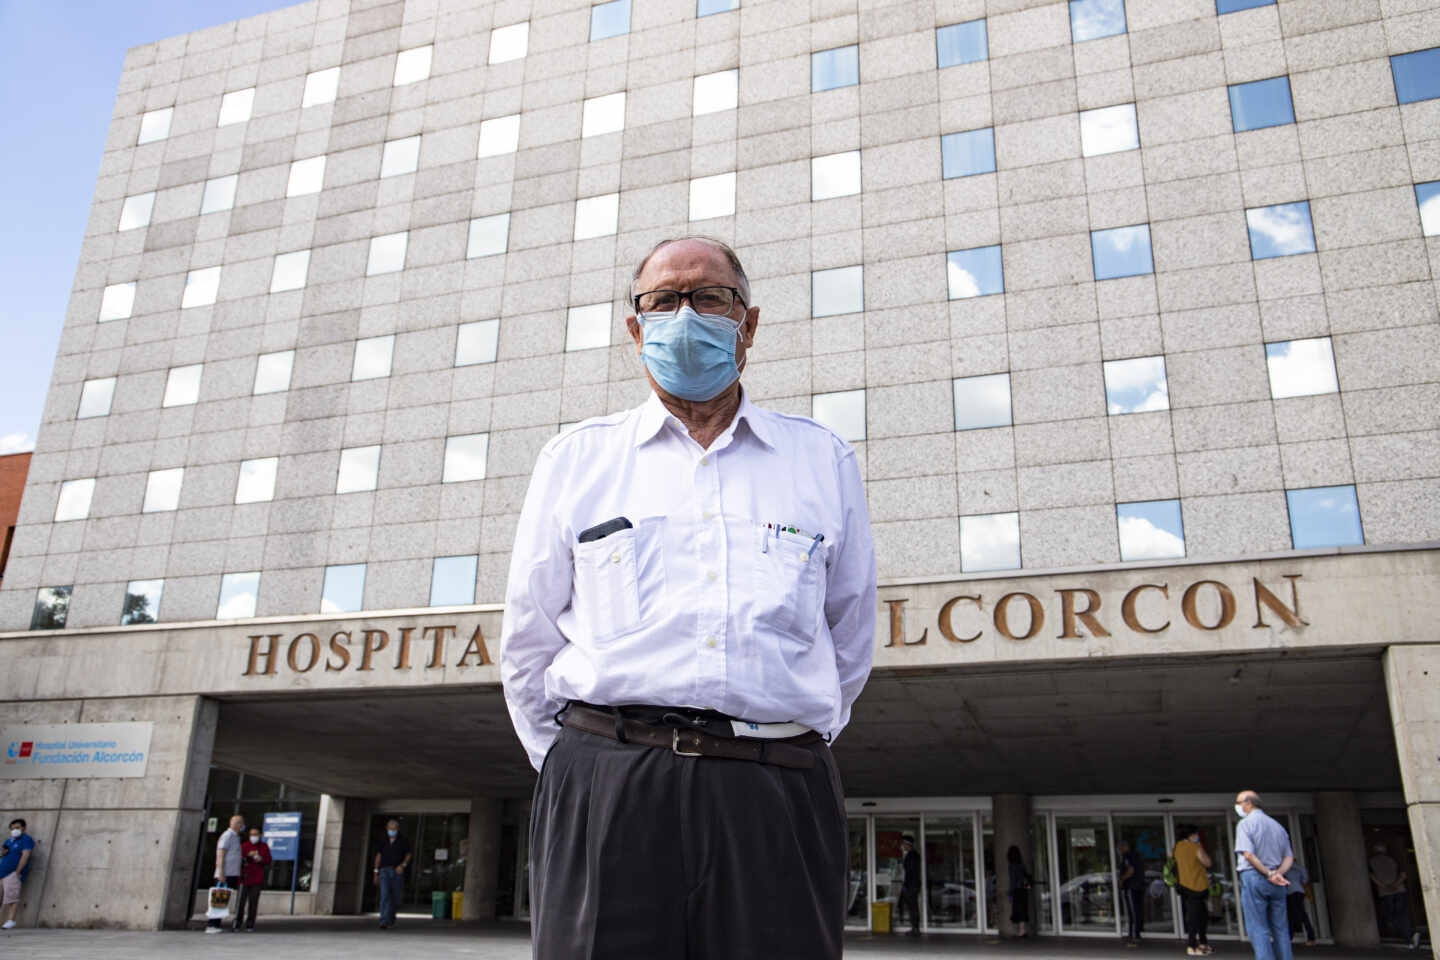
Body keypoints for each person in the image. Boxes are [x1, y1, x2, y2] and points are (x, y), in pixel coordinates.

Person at [501, 236, 877, 960]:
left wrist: (781, 740)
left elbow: (849, 634)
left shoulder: (820, 460)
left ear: (749, 324)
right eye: (663, 301)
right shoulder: (576, 459)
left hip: (773, 790)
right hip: (608, 784)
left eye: (710, 297)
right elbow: (530, 635)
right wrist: (579, 768)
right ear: (636, 331)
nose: (686, 315)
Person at [1234, 791, 1294, 960]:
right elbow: (1289, 857)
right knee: (1281, 929)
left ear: (1248, 803)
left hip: (1254, 877)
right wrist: (1278, 874)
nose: (1237, 806)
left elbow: (1248, 854)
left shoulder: (1245, 824)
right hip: (1278, 881)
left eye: (1239, 802)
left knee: (1258, 928)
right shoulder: (1277, 826)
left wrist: (1269, 873)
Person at [1369, 841, 1420, 950]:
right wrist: (1395, 885)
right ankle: (1410, 935)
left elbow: (1372, 876)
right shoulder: (1394, 859)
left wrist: (1384, 886)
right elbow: (1403, 875)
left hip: (1384, 893)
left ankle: (1409, 936)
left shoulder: (1371, 861)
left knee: (1391, 915)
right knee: (1402, 914)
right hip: (1399, 890)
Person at [1173, 823, 1214, 956]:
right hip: (1197, 886)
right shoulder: (1195, 847)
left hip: (1185, 886)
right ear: (1190, 835)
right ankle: (1192, 945)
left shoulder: (1177, 847)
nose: (1197, 836)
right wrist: (1200, 847)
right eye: (1195, 834)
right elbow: (1207, 862)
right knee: (1198, 917)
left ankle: (1202, 943)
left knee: (1196, 915)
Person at [207, 815, 245, 933]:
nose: (242, 826)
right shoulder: (227, 836)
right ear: (234, 823)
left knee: (223, 900)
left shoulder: (235, 837)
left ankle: (217, 924)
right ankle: (212, 925)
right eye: (240, 823)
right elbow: (221, 854)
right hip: (225, 873)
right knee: (218, 899)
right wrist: (221, 872)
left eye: (242, 823)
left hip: (232, 873)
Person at [373, 819, 411, 929]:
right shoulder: (383, 840)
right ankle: (383, 920)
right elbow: (378, 856)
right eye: (390, 829)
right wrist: (376, 871)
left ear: (397, 829)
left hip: (396, 871)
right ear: (387, 829)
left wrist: (403, 865)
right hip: (384, 871)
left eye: (394, 829)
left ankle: (391, 917)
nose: (392, 831)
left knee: (394, 896)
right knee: (384, 895)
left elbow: (408, 855)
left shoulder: (403, 840)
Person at [0, 818, 35, 930]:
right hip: (2, 872)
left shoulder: (26, 839)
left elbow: (25, 856)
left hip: (12, 873)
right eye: (12, 828)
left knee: (11, 897)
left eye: (17, 828)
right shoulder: (9, 840)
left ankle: (11, 920)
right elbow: (3, 853)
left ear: (23, 828)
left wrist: (18, 872)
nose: (14, 830)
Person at [235, 824, 271, 932]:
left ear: (260, 835)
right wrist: (247, 857)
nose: (253, 836)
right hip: (244, 878)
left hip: (257, 879)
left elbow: (268, 860)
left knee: (253, 902)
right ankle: (237, 923)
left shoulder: (264, 847)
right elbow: (238, 859)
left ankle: (250, 924)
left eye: (255, 834)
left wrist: (261, 859)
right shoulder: (244, 846)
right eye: (251, 834)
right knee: (240, 903)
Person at [1282, 859, 1316, 947]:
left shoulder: (1287, 867)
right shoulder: (1297, 868)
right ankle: (1308, 936)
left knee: (1297, 914)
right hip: (1298, 891)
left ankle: (1310, 937)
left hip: (1292, 892)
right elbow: (1305, 877)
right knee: (1298, 914)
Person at [1118, 839, 1145, 944]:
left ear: (1125, 847)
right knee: (1137, 910)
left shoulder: (1128, 856)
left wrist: (1122, 879)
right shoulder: (1137, 855)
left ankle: (1134, 935)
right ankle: (1135, 933)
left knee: (1133, 911)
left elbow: (1131, 870)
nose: (1119, 850)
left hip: (1132, 887)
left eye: (1120, 848)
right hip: (1139, 886)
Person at [898, 835, 921, 935]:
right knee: (910, 906)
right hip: (911, 885)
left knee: (912, 907)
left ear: (908, 844)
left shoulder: (912, 856)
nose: (902, 846)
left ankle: (915, 928)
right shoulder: (911, 855)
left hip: (912, 885)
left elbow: (910, 872)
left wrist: (906, 886)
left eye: (903, 844)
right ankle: (914, 927)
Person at [1006, 845, 1031, 937]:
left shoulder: (1012, 866)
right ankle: (1022, 930)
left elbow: (1013, 880)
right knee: (1023, 910)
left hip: (1017, 890)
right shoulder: (1021, 864)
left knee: (1018, 910)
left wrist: (1010, 892)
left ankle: (1021, 931)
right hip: (1024, 890)